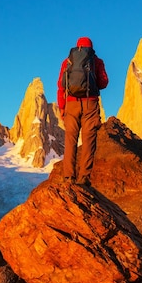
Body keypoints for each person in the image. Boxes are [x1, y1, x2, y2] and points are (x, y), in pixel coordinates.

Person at [57, 36, 109, 186]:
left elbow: (61, 86)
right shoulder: (96, 61)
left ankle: (68, 177)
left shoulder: (67, 62)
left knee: (70, 140)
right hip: (90, 105)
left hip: (71, 104)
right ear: (91, 48)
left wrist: (62, 107)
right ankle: (84, 177)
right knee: (88, 141)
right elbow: (103, 82)